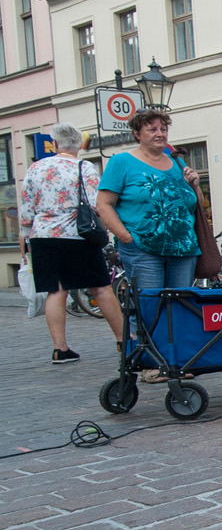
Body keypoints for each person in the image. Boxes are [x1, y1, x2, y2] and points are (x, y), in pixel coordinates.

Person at [18, 124, 124, 364]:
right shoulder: (84, 167)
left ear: (55, 144)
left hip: (43, 236)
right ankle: (122, 340)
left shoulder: (36, 167)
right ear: (79, 145)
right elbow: (97, 202)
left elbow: (26, 206)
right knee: (101, 288)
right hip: (78, 235)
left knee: (56, 290)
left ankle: (60, 348)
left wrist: (25, 234)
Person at [97, 109, 204, 295]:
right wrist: (125, 237)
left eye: (163, 129)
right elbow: (103, 204)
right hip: (143, 250)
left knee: (181, 305)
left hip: (183, 250)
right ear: (137, 134)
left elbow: (196, 205)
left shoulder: (177, 163)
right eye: (152, 129)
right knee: (150, 305)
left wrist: (195, 185)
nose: (160, 134)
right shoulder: (121, 162)